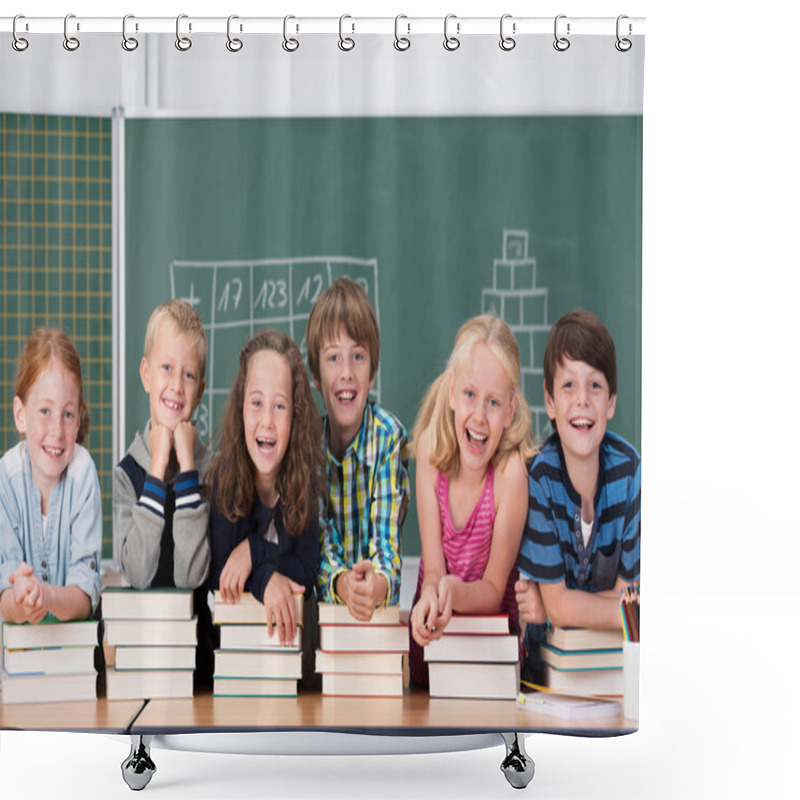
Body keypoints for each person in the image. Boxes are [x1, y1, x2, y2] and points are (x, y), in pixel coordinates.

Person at [408, 314, 537, 686]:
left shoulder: (510, 476)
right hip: (432, 654)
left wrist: (451, 591)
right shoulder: (431, 449)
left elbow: (494, 591)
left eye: (494, 402)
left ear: (511, 410)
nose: (479, 416)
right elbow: (432, 568)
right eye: (469, 395)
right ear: (452, 392)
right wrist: (432, 594)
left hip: (489, 663)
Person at [516, 308, 641, 683]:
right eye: (568, 385)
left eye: (595, 386)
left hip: (611, 670)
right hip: (545, 674)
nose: (582, 400)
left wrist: (560, 606)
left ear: (612, 402)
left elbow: (622, 598)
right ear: (550, 403)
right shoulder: (540, 478)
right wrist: (627, 609)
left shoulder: (630, 472)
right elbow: (628, 608)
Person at [209, 329, 322, 646]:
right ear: (241, 408)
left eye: (280, 406)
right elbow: (220, 571)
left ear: (296, 417)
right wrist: (266, 578)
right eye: (257, 402)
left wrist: (253, 551)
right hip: (233, 655)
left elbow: (307, 571)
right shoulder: (224, 479)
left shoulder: (305, 480)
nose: (267, 421)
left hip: (290, 662)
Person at [306, 277, 409, 621]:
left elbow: (386, 543)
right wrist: (342, 584)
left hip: (377, 619)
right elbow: (319, 543)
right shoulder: (307, 447)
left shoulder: (388, 439)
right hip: (324, 621)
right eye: (333, 357)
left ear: (373, 372)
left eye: (359, 356)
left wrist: (374, 586)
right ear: (316, 377)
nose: (347, 372)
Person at [0, 329, 101, 625]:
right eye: (45, 411)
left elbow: (83, 597)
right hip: (16, 660)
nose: (57, 431)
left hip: (72, 659)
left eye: (67, 414)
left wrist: (45, 596)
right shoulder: (5, 477)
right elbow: (4, 591)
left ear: (78, 417)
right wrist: (22, 602)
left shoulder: (83, 474)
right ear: (21, 415)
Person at [113, 299, 211, 591]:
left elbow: (190, 577)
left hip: (199, 635)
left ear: (199, 392)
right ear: (146, 375)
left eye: (188, 375)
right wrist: (156, 469)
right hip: (142, 635)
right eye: (166, 367)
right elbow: (137, 574)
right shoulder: (126, 475)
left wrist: (188, 470)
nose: (177, 386)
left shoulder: (213, 473)